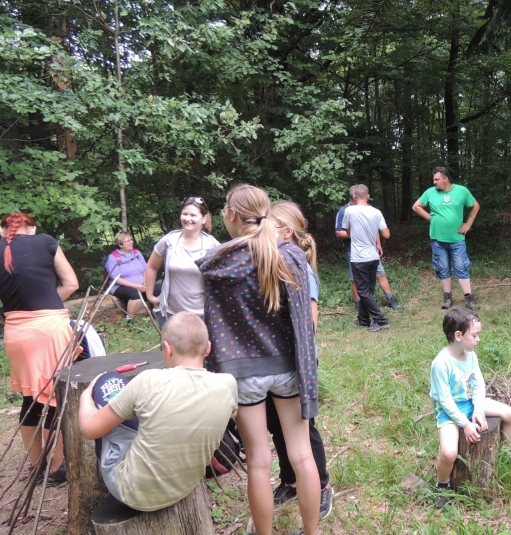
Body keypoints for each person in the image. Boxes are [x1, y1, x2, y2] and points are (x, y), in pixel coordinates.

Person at [199, 184, 319, 535]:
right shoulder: (288, 254)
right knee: (301, 456)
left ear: (233, 215)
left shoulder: (220, 259)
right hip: (288, 367)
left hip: (243, 371)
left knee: (258, 462)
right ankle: (313, 532)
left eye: (224, 208)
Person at [77, 312, 237, 511]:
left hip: (132, 492)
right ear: (208, 348)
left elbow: (90, 430)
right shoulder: (227, 384)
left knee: (109, 381)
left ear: (166, 348)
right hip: (185, 485)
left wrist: (86, 394)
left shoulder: (148, 381)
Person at [0, 212, 79, 486]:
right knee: (57, 396)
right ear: (31, 228)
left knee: (31, 396)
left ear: (3, 232)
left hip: (16, 333)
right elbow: (72, 283)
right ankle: (57, 467)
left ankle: (36, 465)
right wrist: (46, 301)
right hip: (51, 330)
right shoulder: (46, 241)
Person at [266, 201, 334, 520]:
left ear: (286, 231)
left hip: (296, 362)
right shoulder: (273, 262)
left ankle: (320, 486)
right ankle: (291, 480)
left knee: (303, 428)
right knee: (275, 424)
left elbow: (310, 324)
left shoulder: (300, 269)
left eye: (268, 222)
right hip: (272, 362)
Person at [429, 308, 511, 509]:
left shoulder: (471, 355)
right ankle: (442, 486)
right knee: (449, 452)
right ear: (458, 335)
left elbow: (478, 385)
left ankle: (504, 452)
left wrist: (477, 410)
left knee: (509, 414)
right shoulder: (441, 364)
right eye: (475, 335)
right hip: (448, 410)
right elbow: (445, 400)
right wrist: (465, 424)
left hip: (469, 401)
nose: (478, 339)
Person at [412, 167, 480, 310]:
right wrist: (431, 218)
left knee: (461, 267)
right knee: (443, 268)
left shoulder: (462, 191)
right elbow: (416, 206)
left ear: (446, 179)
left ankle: (469, 298)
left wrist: (468, 223)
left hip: (457, 239)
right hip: (437, 239)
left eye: (437, 179)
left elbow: (475, 206)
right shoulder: (430, 192)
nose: (434, 182)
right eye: (434, 180)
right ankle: (447, 298)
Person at [145, 197, 219, 325]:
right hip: (171, 313)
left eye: (193, 215)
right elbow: (152, 266)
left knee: (200, 346)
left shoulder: (213, 246)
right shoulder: (169, 241)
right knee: (170, 346)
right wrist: (150, 296)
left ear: (204, 219)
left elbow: (221, 280)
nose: (187, 218)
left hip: (202, 315)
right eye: (184, 214)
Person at [335, 199, 403, 311]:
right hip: (353, 250)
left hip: (371, 249)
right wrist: (358, 233)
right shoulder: (344, 210)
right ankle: (358, 304)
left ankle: (390, 299)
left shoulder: (369, 209)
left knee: (380, 273)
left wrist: (378, 244)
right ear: (354, 196)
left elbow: (375, 228)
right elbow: (338, 232)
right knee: (354, 278)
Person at [342, 184, 391, 332]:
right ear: (368, 196)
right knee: (368, 289)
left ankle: (381, 320)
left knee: (363, 290)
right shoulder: (376, 212)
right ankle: (363, 319)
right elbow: (386, 234)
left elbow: (347, 231)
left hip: (359, 257)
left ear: (354, 197)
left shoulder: (349, 210)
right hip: (373, 256)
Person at [105, 231, 161, 320]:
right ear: (120, 244)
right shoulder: (113, 257)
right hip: (121, 286)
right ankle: (129, 318)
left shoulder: (136, 253)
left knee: (160, 289)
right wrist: (135, 285)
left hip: (142, 284)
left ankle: (157, 310)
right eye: (128, 241)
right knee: (135, 295)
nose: (131, 242)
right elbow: (115, 278)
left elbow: (145, 270)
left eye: (131, 239)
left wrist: (146, 283)